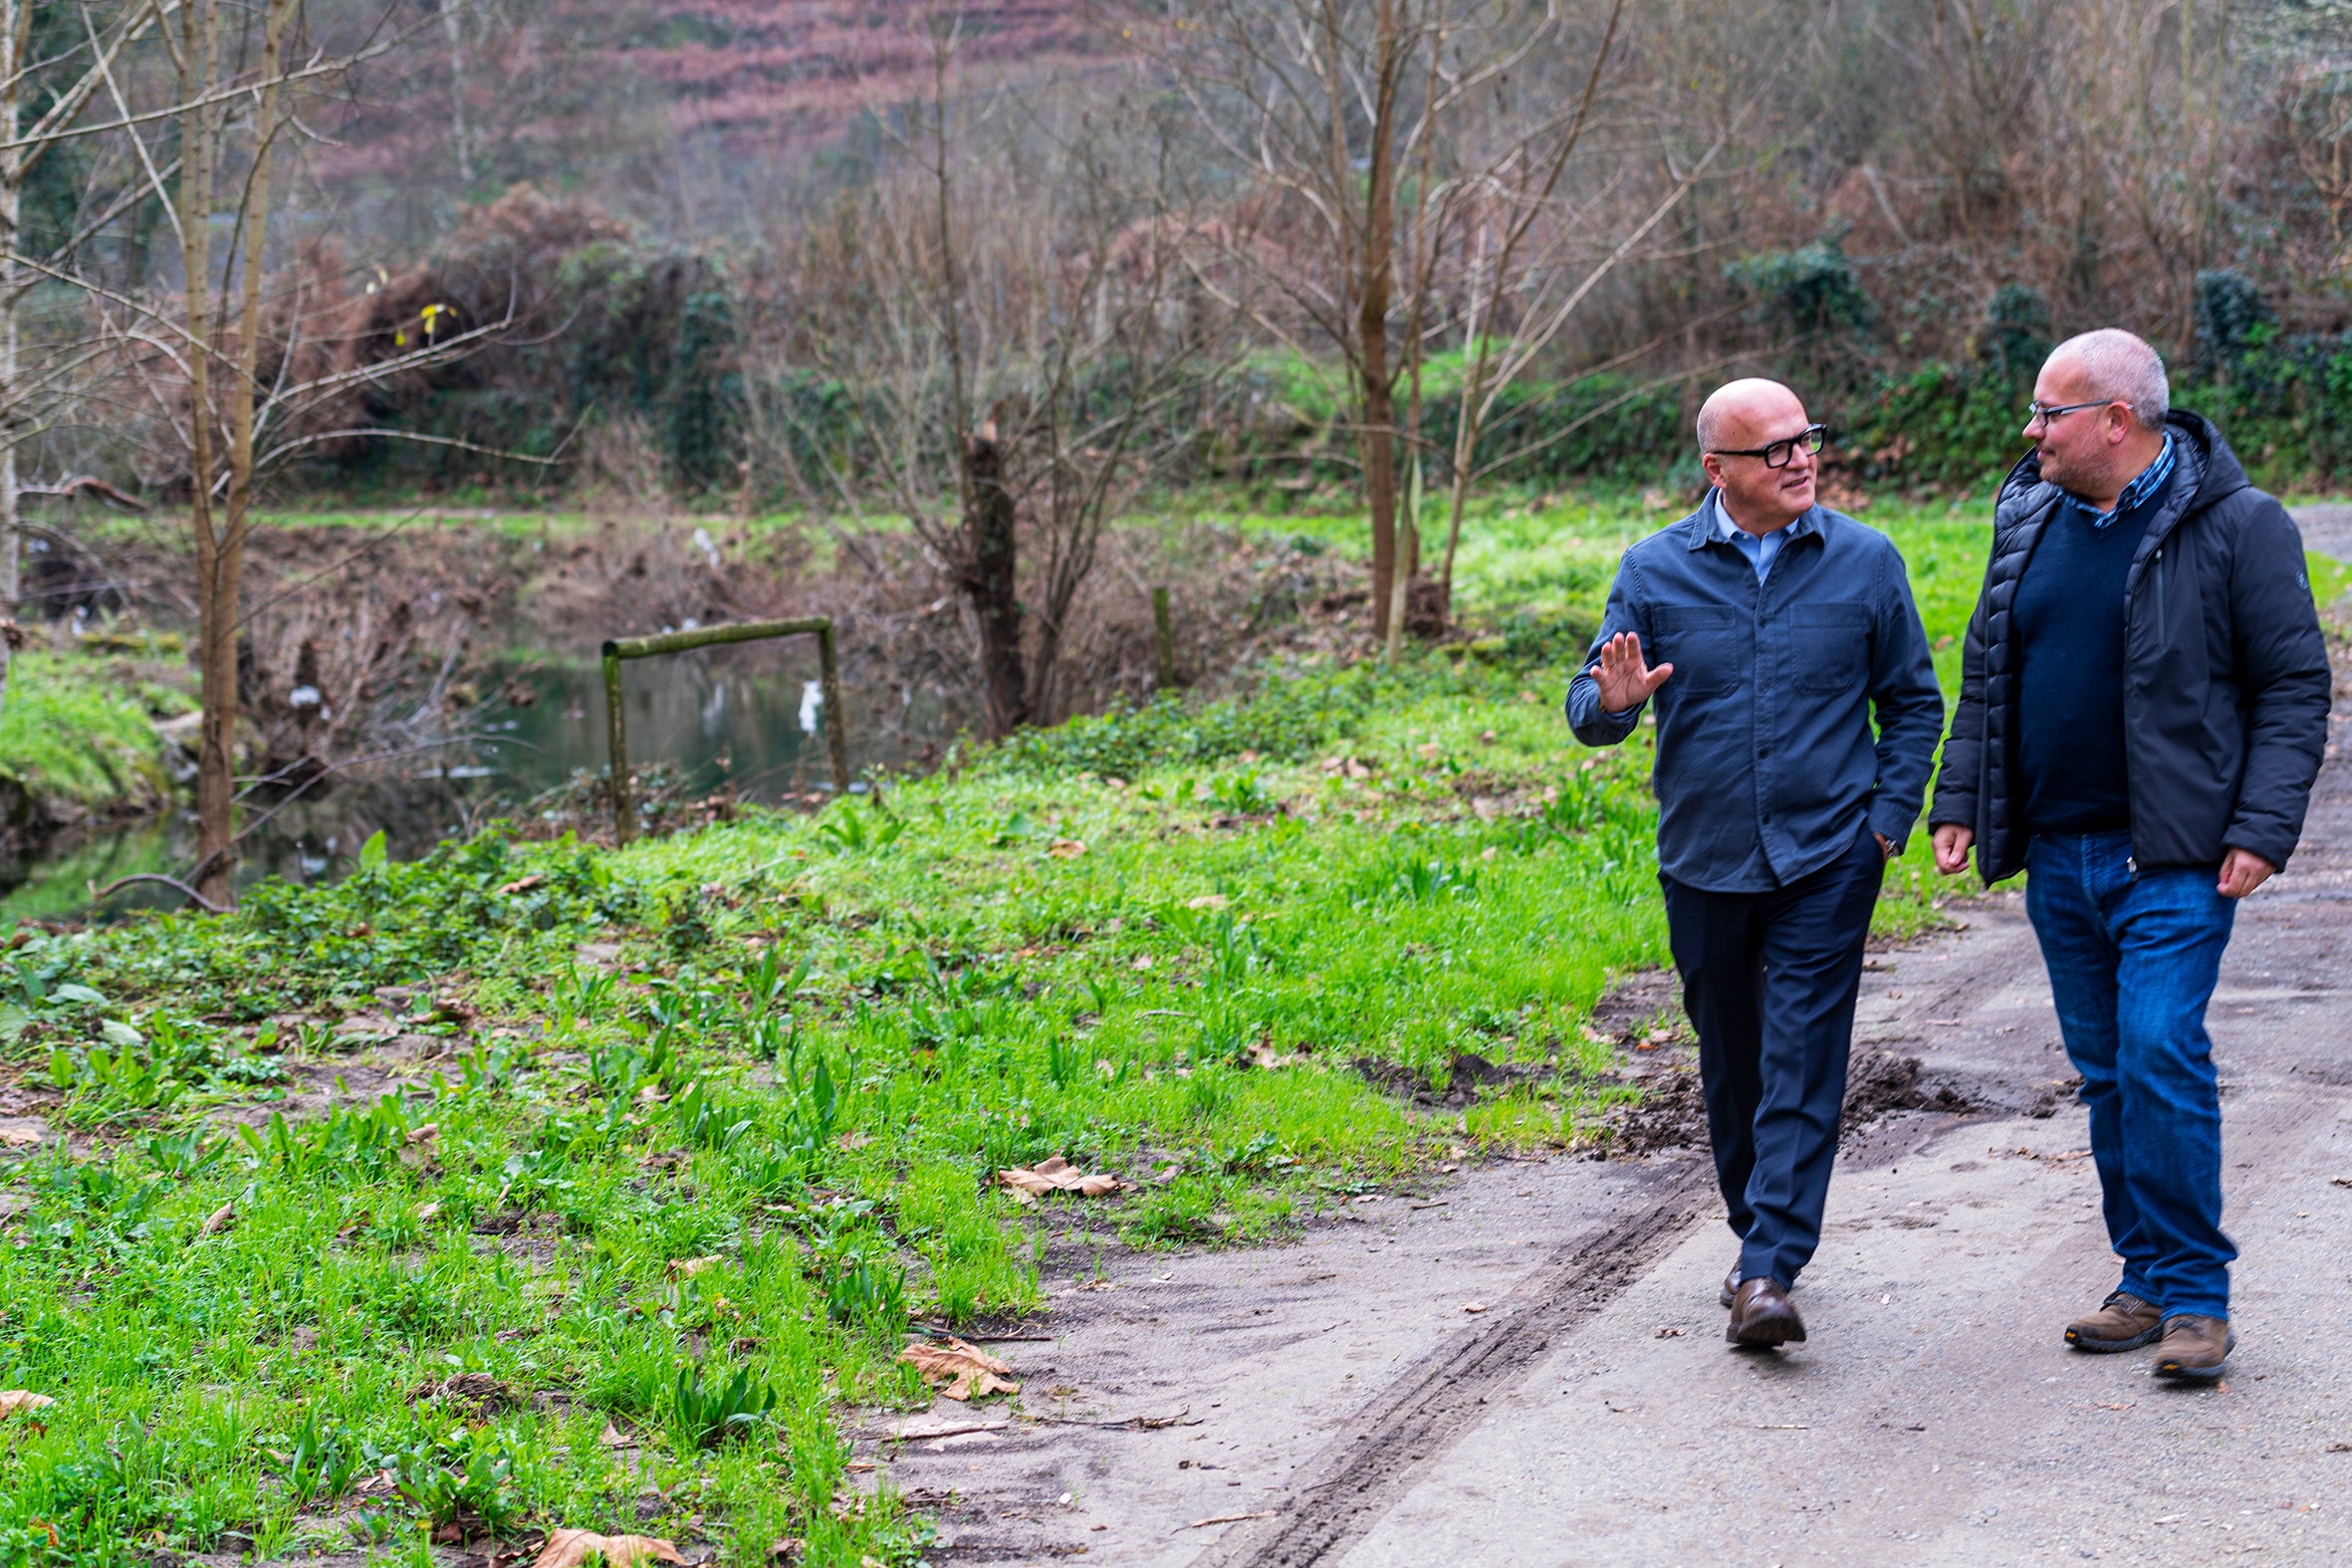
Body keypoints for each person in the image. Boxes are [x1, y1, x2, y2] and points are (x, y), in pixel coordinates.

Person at [1929, 330, 2330, 1383]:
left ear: (2116, 418)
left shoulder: (2236, 525)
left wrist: (2260, 828)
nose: (2029, 433)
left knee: (2158, 1049)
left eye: (2046, 413)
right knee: (2107, 1072)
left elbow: (2293, 687)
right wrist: (1959, 797)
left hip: (2176, 855)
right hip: (2059, 849)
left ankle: (2198, 1296)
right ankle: (2143, 1277)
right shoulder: (2027, 518)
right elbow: (1987, 671)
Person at [1568, 378, 1944, 1348]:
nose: (1799, 459)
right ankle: (1754, 1240)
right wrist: (1611, 704)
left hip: (1830, 853)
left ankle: (1772, 1264)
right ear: (1716, 470)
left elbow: (1911, 703)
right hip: (1704, 857)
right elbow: (1589, 708)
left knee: (1803, 1058)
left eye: (1805, 438)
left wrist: (1885, 823)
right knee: (1732, 1061)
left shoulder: (1865, 561)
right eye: (1772, 449)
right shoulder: (1652, 572)